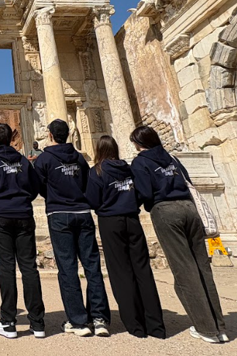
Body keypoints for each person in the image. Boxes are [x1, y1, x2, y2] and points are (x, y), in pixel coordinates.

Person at [130, 126, 227, 344]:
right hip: (190, 209)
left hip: (166, 211)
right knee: (202, 268)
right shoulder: (172, 158)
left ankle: (206, 329)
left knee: (184, 271)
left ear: (138, 143)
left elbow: (145, 192)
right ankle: (219, 326)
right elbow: (187, 180)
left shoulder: (140, 162)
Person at [35, 119, 110, 337]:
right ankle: (99, 318)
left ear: (50, 135)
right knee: (92, 266)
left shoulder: (44, 159)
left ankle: (78, 322)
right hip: (83, 213)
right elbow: (86, 182)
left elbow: (39, 186)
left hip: (59, 214)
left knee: (67, 268)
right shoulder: (79, 158)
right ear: (69, 134)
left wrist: (54, 196)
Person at [85, 135, 166, 339]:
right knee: (143, 270)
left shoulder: (97, 171)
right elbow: (140, 192)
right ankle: (156, 325)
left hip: (110, 222)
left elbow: (92, 200)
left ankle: (135, 325)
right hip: (132, 219)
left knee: (120, 272)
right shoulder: (129, 168)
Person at [0, 123, 45, 339]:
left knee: (6, 267)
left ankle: (8, 322)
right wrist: (23, 200)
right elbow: (35, 186)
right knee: (29, 267)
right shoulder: (23, 161)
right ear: (12, 139)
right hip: (23, 214)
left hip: (0, 216)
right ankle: (38, 323)